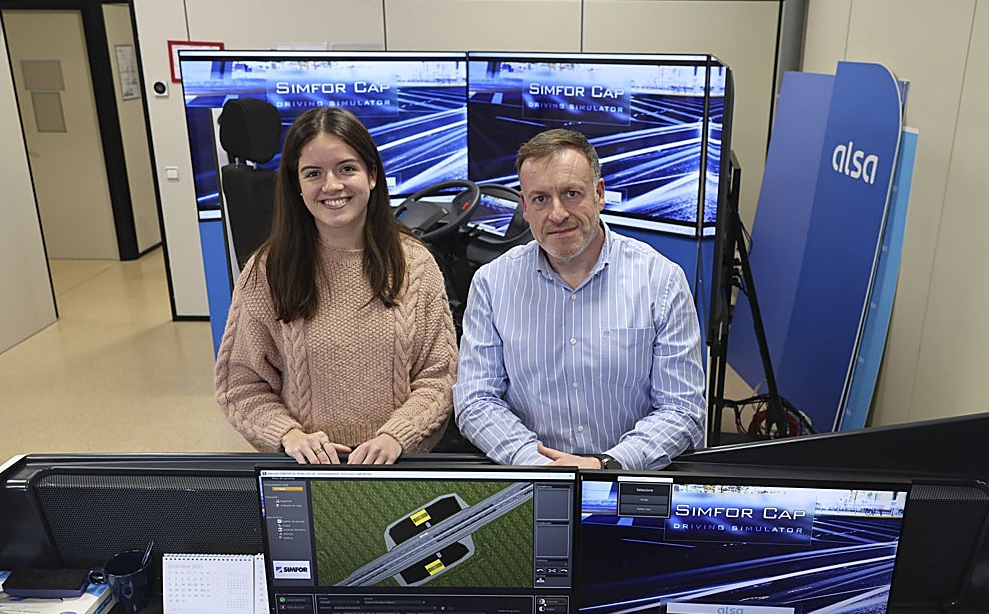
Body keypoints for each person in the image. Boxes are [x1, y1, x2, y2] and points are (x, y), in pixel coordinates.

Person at [215, 107, 457, 465]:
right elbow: (242, 384)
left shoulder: (416, 265)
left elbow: (440, 375)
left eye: (347, 168)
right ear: (296, 185)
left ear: (372, 175)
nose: (332, 186)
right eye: (313, 173)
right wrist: (289, 434)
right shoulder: (267, 271)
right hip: (308, 469)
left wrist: (397, 435)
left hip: (402, 465)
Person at [454, 129, 705, 471]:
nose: (557, 214)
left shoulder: (661, 281)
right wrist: (538, 464)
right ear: (525, 207)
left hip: (626, 478)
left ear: (599, 194)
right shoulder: (492, 284)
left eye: (571, 194)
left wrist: (608, 464)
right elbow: (475, 400)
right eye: (540, 199)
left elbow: (682, 409)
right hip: (530, 478)